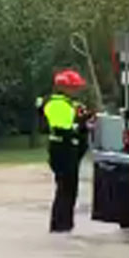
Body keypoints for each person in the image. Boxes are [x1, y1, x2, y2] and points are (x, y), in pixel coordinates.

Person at [42, 69, 92, 233]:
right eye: (74, 87)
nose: (77, 90)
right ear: (64, 87)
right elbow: (63, 128)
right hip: (62, 150)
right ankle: (60, 227)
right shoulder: (55, 104)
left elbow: (76, 122)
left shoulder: (70, 104)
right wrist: (81, 124)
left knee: (69, 190)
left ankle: (64, 226)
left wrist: (85, 120)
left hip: (70, 150)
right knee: (65, 189)